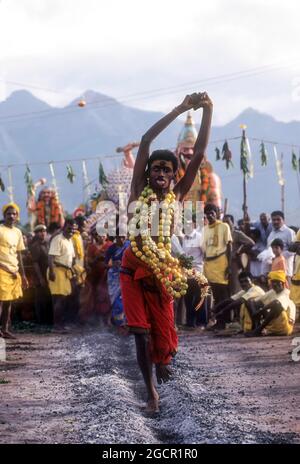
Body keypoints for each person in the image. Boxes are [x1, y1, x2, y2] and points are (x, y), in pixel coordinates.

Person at [120, 92, 213, 413]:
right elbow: (146, 140)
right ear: (147, 174)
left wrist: (208, 110)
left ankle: (162, 364)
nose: (160, 173)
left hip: (163, 270)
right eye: (155, 169)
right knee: (140, 335)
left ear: (174, 176)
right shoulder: (137, 191)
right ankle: (151, 395)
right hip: (133, 269)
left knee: (163, 339)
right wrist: (180, 109)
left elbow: (198, 155)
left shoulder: (178, 196)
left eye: (167, 170)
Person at [0, 203, 28, 338]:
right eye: (8, 214)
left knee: (8, 302)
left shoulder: (18, 232)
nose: (11, 216)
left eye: (14, 214)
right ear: (4, 216)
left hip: (14, 271)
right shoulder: (0, 230)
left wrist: (23, 275)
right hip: (1, 269)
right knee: (0, 301)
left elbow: (19, 255)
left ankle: (4, 330)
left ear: (17, 216)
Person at [245, 270, 296, 337]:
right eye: (273, 282)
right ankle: (256, 328)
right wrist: (254, 310)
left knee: (276, 305)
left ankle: (258, 330)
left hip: (285, 327)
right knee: (250, 301)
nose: (274, 284)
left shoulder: (286, 293)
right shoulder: (272, 292)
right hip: (273, 326)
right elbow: (256, 301)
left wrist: (259, 312)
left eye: (277, 282)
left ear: (283, 283)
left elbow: (276, 303)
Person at [47, 218, 76, 332]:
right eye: (69, 228)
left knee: (63, 299)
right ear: (64, 227)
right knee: (59, 299)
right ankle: (57, 326)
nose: (71, 231)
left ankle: (61, 324)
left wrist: (72, 270)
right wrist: (52, 272)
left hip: (66, 272)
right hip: (56, 270)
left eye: (73, 229)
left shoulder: (70, 240)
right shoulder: (57, 239)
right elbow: (50, 257)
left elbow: (71, 258)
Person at [203, 203, 232, 310]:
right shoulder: (205, 229)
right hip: (209, 265)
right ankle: (217, 320)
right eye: (207, 214)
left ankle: (223, 321)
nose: (209, 215)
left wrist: (229, 266)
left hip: (221, 264)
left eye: (212, 213)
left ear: (217, 214)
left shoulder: (224, 226)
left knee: (222, 293)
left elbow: (229, 246)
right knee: (214, 293)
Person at [79, 230, 112, 325]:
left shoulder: (110, 245)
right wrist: (97, 259)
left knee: (106, 296)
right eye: (99, 235)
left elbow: (113, 260)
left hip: (106, 275)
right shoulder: (91, 247)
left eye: (103, 235)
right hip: (94, 276)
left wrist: (107, 263)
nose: (102, 237)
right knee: (93, 296)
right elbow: (89, 262)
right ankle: (96, 319)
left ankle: (107, 319)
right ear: (96, 236)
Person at [223, 214, 254, 294]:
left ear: (232, 222)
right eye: (223, 222)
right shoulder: (222, 234)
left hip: (234, 264)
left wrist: (239, 252)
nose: (225, 224)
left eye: (227, 222)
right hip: (222, 264)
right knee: (224, 288)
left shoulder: (237, 234)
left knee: (235, 287)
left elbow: (250, 243)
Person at [29, 224, 53, 325]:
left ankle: (48, 320)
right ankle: (40, 321)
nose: (42, 233)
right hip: (40, 275)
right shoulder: (35, 246)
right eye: (40, 231)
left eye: (44, 231)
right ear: (36, 233)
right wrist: (40, 278)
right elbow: (35, 263)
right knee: (40, 299)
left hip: (48, 275)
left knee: (48, 297)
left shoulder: (48, 244)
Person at [105, 235, 130, 327]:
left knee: (126, 299)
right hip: (114, 277)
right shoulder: (111, 248)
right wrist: (113, 264)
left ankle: (126, 321)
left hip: (126, 275)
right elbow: (106, 263)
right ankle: (118, 323)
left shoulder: (129, 246)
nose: (122, 239)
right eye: (120, 237)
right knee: (115, 300)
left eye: (124, 237)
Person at [266, 211, 295, 280]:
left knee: (286, 290)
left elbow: (293, 250)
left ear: (283, 220)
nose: (276, 222)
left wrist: (279, 256)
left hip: (285, 271)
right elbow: (268, 250)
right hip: (273, 271)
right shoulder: (271, 234)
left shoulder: (289, 232)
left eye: (278, 219)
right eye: (273, 220)